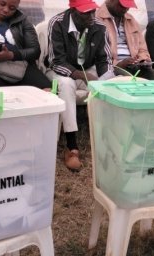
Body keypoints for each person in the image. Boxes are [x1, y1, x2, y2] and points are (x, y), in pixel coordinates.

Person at [47, 0, 115, 171]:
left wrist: (105, 79)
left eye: (93, 11)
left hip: (87, 68)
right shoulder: (57, 23)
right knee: (66, 84)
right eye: (86, 13)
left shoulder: (99, 26)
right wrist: (83, 76)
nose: (91, 17)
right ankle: (71, 146)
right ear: (73, 11)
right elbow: (55, 61)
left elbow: (104, 59)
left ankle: (110, 140)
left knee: (109, 83)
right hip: (61, 71)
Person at [0, 0, 50, 88]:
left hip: (18, 67)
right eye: (2, 4)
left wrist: (11, 55)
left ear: (17, 6)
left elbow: (35, 51)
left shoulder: (23, 21)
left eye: (12, 8)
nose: (6, 10)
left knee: (48, 91)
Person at [96, 0, 154, 79]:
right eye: (122, 5)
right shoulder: (97, 18)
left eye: (128, 6)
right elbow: (98, 55)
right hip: (112, 67)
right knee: (130, 81)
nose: (125, 9)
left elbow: (142, 48)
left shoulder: (131, 20)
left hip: (134, 65)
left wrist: (143, 60)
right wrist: (118, 64)